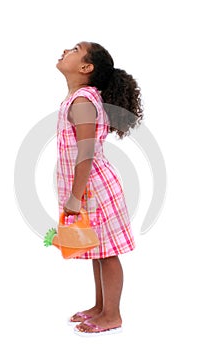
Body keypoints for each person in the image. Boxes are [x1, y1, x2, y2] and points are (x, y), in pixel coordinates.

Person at [56, 41, 143, 336]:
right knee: (98, 248)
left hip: (95, 188)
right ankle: (100, 306)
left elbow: (86, 154)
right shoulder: (79, 98)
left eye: (74, 48)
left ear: (86, 67)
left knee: (107, 253)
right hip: (91, 187)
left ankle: (112, 315)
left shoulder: (82, 101)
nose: (65, 49)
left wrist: (74, 196)